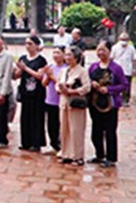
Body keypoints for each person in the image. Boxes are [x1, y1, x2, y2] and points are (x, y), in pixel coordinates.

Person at [87, 40, 128, 168]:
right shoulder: (93, 66)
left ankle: (111, 157)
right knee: (96, 130)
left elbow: (124, 85)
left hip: (111, 104)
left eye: (103, 50)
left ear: (110, 51)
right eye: (98, 50)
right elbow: (87, 80)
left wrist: (109, 90)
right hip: (95, 102)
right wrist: (92, 84)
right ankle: (99, 154)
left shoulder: (116, 68)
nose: (100, 53)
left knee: (110, 130)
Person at [57, 46, 91, 166]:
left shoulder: (82, 71)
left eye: (69, 55)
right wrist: (61, 89)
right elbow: (58, 83)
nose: (67, 58)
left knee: (76, 129)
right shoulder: (64, 71)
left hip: (75, 102)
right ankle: (65, 153)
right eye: (65, 55)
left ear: (76, 57)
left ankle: (78, 155)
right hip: (64, 102)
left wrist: (72, 91)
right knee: (64, 128)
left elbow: (87, 87)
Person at [14, 36, 48, 152]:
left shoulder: (41, 60)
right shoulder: (23, 58)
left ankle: (36, 142)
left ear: (37, 46)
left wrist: (25, 68)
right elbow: (17, 75)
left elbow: (39, 76)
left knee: (37, 117)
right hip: (25, 92)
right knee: (25, 117)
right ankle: (25, 141)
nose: (27, 46)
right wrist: (17, 70)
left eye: (30, 43)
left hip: (37, 93)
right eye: (26, 43)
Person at [43, 47, 66, 154]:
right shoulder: (51, 67)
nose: (56, 55)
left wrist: (52, 76)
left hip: (62, 100)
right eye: (54, 53)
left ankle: (62, 145)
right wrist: (48, 76)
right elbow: (44, 83)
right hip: (50, 99)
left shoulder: (66, 68)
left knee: (62, 124)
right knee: (51, 124)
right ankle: (53, 144)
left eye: (58, 53)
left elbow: (62, 84)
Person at [111, 32, 135, 107]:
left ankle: (125, 100)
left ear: (128, 40)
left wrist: (134, 69)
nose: (123, 41)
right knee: (116, 84)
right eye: (122, 39)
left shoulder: (131, 48)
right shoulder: (115, 47)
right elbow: (111, 58)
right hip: (117, 70)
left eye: (125, 39)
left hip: (127, 69)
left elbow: (134, 59)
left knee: (127, 86)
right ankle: (116, 99)